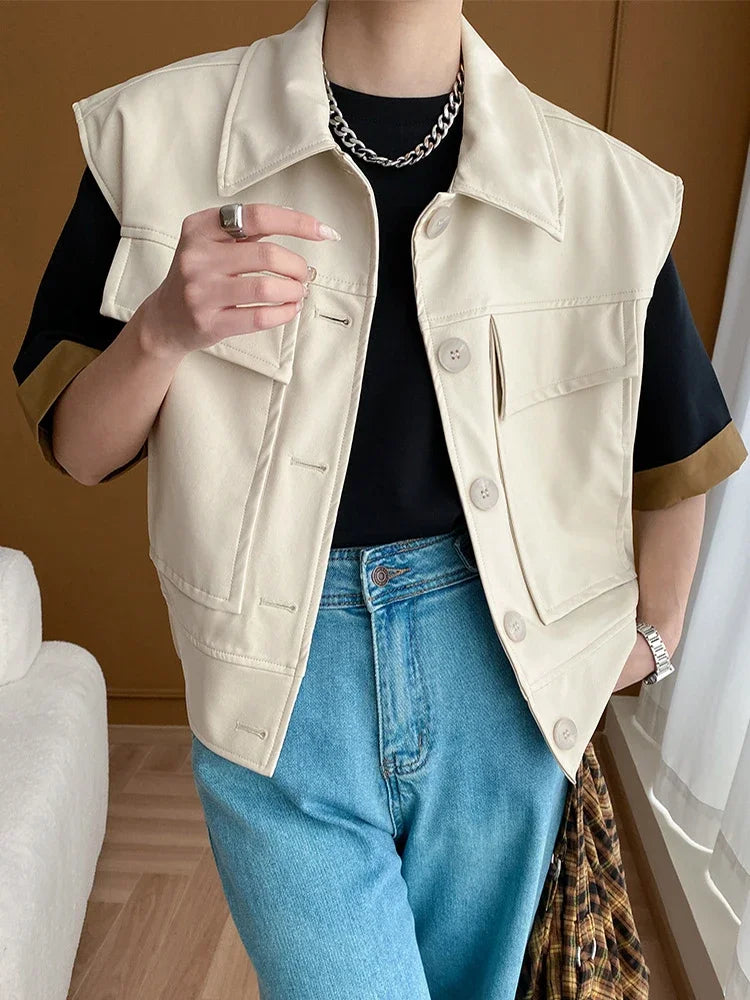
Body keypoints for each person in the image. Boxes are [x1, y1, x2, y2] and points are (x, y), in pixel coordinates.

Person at [12, 1, 747, 997]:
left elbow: (682, 456)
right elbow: (79, 450)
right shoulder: (154, 136)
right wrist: (161, 330)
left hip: (501, 680)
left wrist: (653, 640)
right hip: (278, 681)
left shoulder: (602, 190)